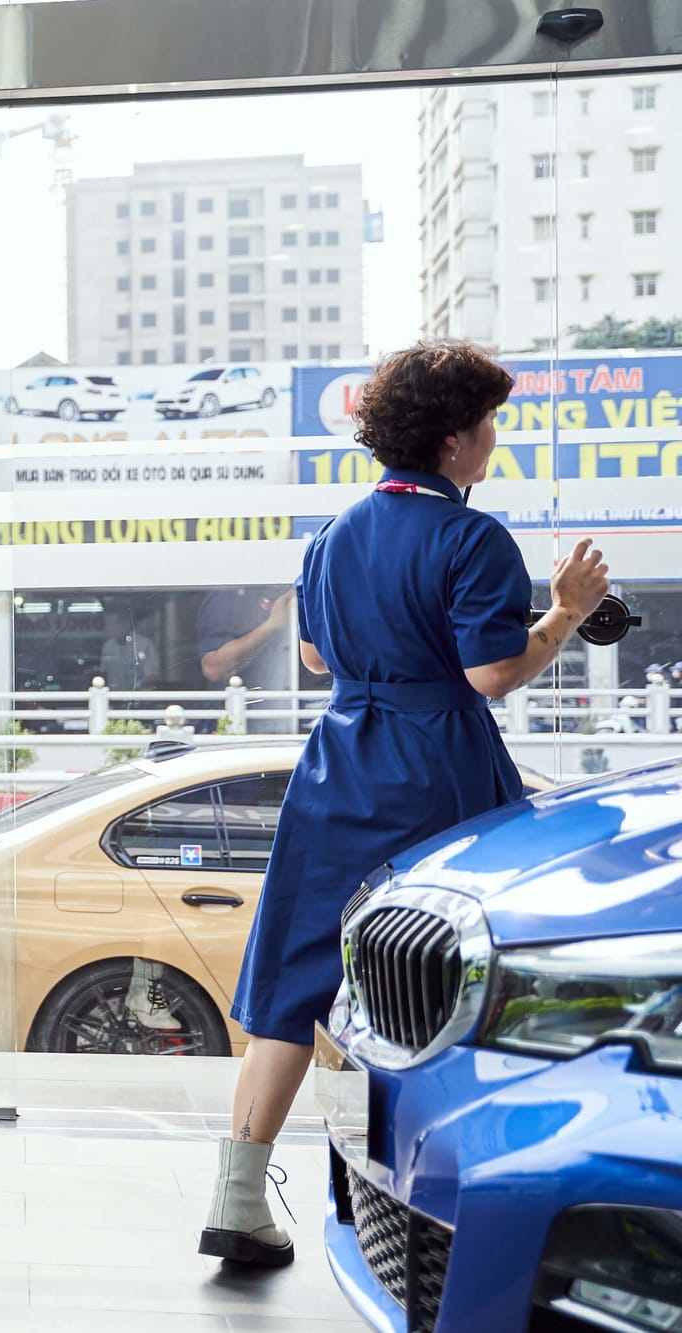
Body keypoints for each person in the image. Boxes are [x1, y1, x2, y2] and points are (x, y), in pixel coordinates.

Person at [199, 341, 610, 1268]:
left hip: (340, 762)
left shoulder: (331, 535)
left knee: (294, 979)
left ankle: (237, 1197)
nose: (494, 439)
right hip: (438, 767)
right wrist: (568, 610)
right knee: (448, 975)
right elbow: (493, 672)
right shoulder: (472, 538)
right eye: (489, 423)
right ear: (454, 438)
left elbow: (316, 658)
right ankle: (441, 1203)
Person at [197, 587, 297, 732]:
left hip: (303, 725)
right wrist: (272, 625)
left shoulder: (317, 589)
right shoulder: (230, 594)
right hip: (240, 729)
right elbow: (213, 668)